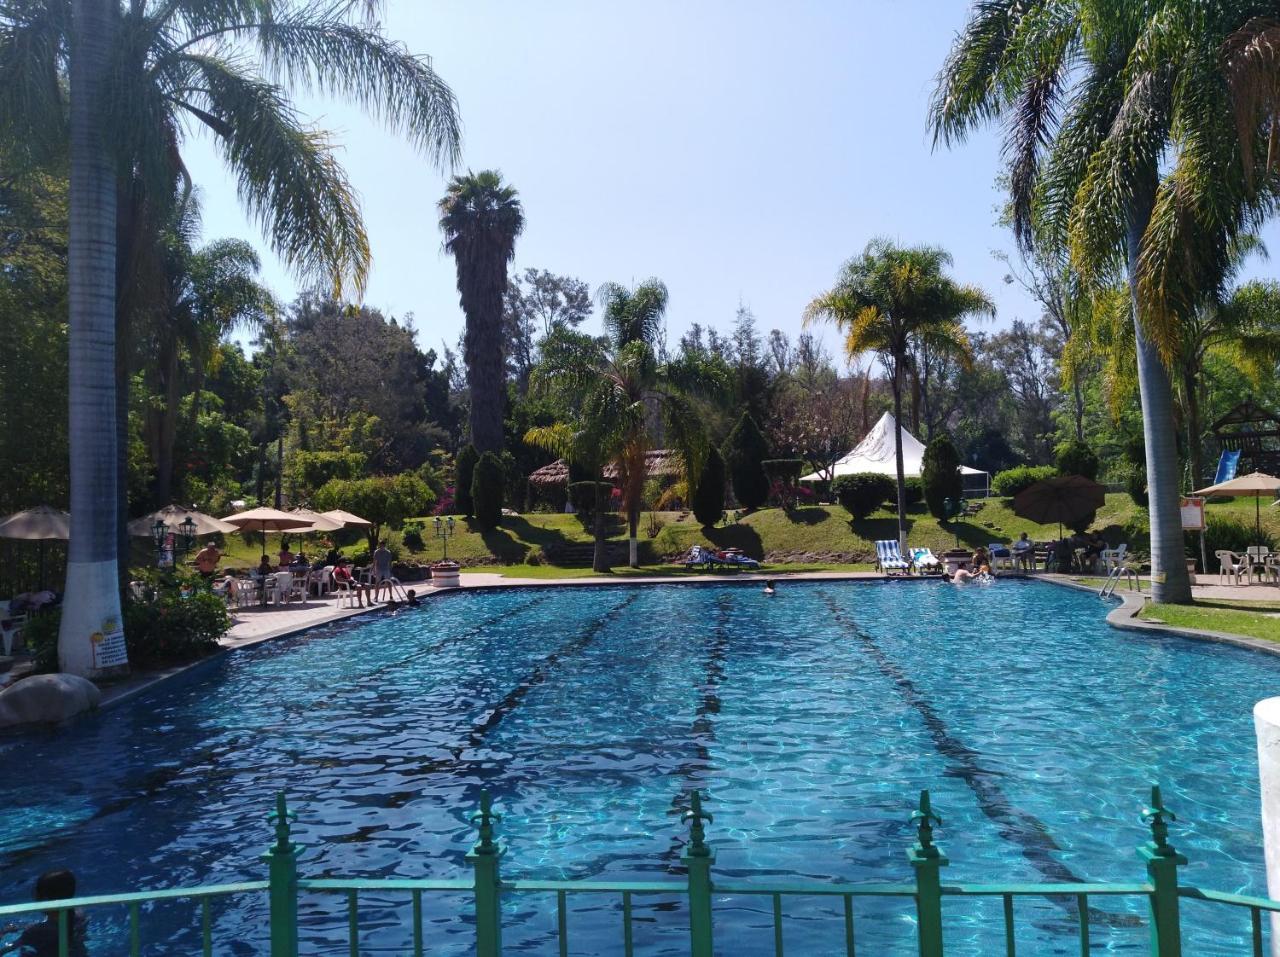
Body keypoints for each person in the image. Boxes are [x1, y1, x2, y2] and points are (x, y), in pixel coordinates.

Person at [0, 869, 87, 956]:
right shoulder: (79, 914)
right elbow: (52, 927)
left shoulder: (34, 932)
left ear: (43, 899)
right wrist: (21, 927)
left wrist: (2, 933)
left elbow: (6, 949)